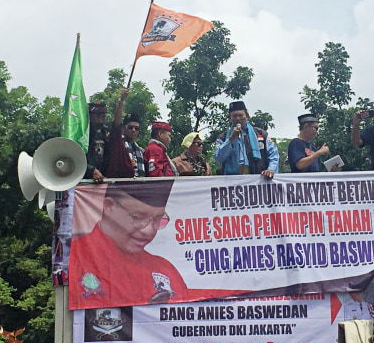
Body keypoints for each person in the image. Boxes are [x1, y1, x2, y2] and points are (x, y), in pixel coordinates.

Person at [68, 181, 187, 309]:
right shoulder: (73, 258)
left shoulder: (165, 270)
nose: (149, 230)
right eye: (138, 217)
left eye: (158, 219)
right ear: (109, 206)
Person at [213, 101, 279, 179]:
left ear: (247, 115)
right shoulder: (223, 138)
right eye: (234, 116)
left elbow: (273, 155)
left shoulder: (260, 134)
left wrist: (270, 169)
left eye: (241, 115)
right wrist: (231, 139)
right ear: (229, 118)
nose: (238, 118)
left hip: (257, 179)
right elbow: (218, 157)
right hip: (232, 181)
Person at [85, 89, 129, 182]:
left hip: (104, 179)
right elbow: (75, 158)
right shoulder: (82, 134)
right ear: (90, 116)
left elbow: (116, 125)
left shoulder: (106, 132)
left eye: (104, 114)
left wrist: (121, 101)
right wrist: (91, 170)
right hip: (85, 180)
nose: (102, 117)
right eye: (98, 115)